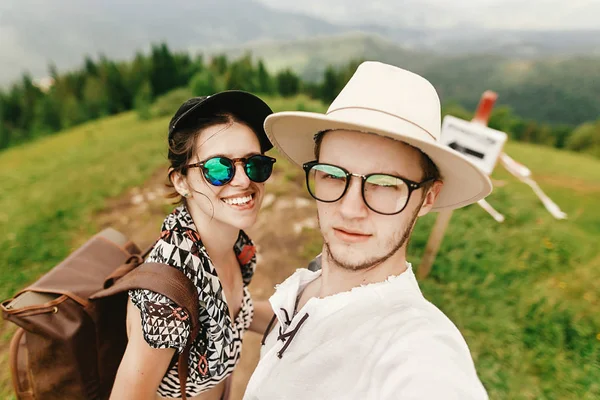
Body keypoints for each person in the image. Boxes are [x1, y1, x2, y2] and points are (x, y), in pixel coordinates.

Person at [243, 61, 491, 400]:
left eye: (386, 184)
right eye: (332, 175)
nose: (349, 209)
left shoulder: (416, 349)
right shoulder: (318, 279)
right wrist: (223, 306)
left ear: (428, 197)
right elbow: (299, 317)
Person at [110, 91, 276, 400]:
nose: (242, 180)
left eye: (255, 164)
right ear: (181, 181)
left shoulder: (233, 247)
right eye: (218, 168)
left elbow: (236, 313)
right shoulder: (167, 299)